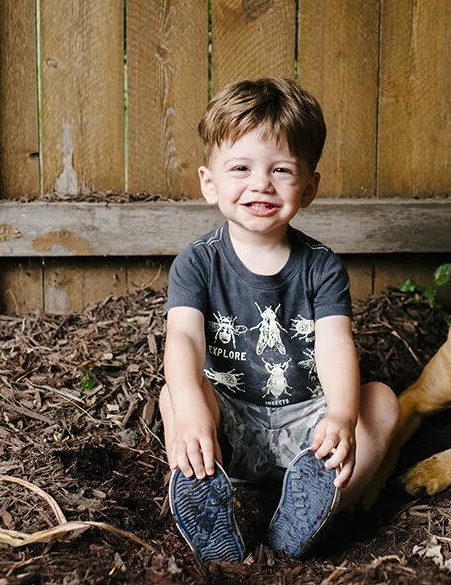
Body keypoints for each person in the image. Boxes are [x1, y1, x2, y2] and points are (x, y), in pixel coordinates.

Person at [160, 77, 400, 563]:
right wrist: (190, 406)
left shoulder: (321, 265)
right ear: (210, 183)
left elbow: (335, 345)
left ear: (309, 187)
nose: (261, 184)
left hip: (308, 429)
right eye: (241, 168)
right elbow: (184, 337)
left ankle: (312, 511)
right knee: (174, 395)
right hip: (229, 424)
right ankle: (212, 497)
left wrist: (340, 416)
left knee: (382, 403)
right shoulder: (197, 262)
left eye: (282, 170)